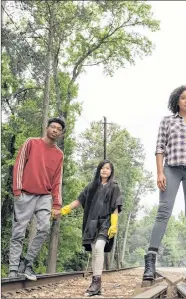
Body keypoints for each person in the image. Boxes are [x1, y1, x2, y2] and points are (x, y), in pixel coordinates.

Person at [143, 85, 186, 282]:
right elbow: (159, 148)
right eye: (183, 98)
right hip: (171, 168)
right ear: (177, 101)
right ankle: (150, 262)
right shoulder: (167, 121)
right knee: (163, 212)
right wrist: (160, 172)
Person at [8, 117, 65, 280]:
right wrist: (17, 191)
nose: (55, 130)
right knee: (18, 232)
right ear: (47, 128)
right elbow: (19, 165)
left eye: (58, 129)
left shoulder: (59, 154)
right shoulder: (31, 143)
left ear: (60, 134)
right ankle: (13, 268)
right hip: (25, 194)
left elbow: (58, 180)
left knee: (44, 228)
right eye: (53, 127)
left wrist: (57, 204)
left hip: (44, 197)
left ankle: (27, 263)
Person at [60, 160, 122, 297]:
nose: (105, 170)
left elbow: (116, 207)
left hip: (106, 222)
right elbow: (79, 200)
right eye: (102, 168)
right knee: (95, 251)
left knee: (99, 247)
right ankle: (96, 285)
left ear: (111, 172)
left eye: (108, 168)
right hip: (92, 223)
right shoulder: (91, 186)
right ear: (99, 170)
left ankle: (96, 281)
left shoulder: (114, 187)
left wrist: (114, 224)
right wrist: (64, 210)